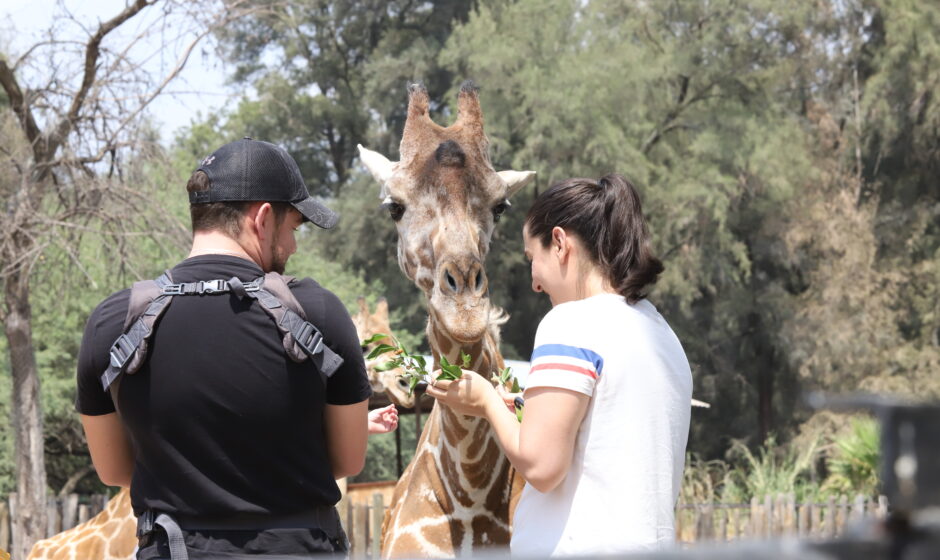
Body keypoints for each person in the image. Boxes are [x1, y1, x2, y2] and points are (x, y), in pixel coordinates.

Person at [76, 137, 397, 559]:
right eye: (293, 228)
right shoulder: (316, 311)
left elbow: (115, 470)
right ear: (263, 218)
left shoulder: (113, 321)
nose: (294, 247)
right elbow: (348, 460)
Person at [427, 174, 692, 556]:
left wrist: (486, 401)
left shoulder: (570, 323)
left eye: (532, 259)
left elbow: (542, 467)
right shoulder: (661, 333)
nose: (535, 282)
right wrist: (517, 410)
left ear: (560, 243)